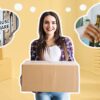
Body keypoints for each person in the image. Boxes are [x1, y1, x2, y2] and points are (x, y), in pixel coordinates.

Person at [31, 11, 75, 100]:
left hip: (62, 89)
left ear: (57, 25)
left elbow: (71, 64)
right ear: (42, 25)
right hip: (42, 90)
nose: (50, 26)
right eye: (46, 22)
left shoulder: (66, 41)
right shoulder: (35, 44)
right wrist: (28, 81)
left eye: (53, 22)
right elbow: (32, 66)